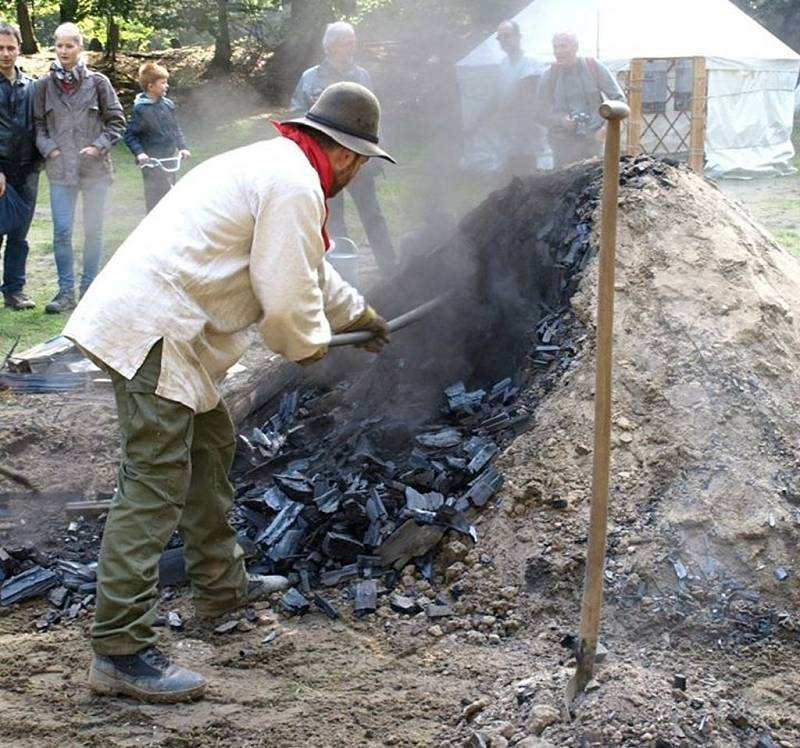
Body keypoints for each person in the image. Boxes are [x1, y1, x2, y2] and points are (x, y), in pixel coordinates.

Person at [63, 81, 394, 703]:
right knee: (154, 481)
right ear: (347, 154)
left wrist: (358, 314)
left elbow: (307, 267)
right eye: (364, 163)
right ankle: (119, 649)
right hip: (154, 330)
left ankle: (219, 584)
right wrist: (308, 343)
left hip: (164, 326)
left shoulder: (278, 165)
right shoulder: (294, 182)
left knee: (210, 444)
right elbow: (287, 293)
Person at [33, 22, 125, 314]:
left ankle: (89, 290)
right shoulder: (43, 86)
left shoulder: (98, 83)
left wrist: (98, 146)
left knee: (93, 230)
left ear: (79, 48)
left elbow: (117, 121)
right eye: (59, 45)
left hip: (94, 170)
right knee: (61, 231)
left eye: (69, 45)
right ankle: (65, 292)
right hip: (60, 172)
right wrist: (50, 149)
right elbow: (37, 126)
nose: (63, 51)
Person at [290, 21, 396, 274]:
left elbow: (373, 117)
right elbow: (296, 112)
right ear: (332, 46)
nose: (354, 45)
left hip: (357, 160)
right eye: (349, 41)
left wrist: (376, 153)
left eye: (353, 40)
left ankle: (391, 269)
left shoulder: (361, 76)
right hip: (327, 162)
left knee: (373, 215)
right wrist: (312, 112)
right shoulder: (310, 78)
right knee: (334, 219)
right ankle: (343, 270)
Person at [465, 20, 547, 178]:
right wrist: (477, 121)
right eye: (500, 38)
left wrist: (506, 112)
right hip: (508, 132)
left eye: (507, 36)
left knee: (527, 174)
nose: (503, 41)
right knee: (509, 174)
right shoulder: (504, 64)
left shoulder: (531, 62)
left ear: (518, 36)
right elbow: (496, 98)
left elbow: (527, 96)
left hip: (527, 130)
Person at [0, 22, 42, 310]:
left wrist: (39, 164)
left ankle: (14, 292)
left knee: (19, 237)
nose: (5, 53)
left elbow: (41, 126)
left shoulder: (32, 86)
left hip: (27, 173)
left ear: (19, 50)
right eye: (0, 48)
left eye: (10, 48)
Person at [537, 32, 626, 168]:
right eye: (555, 47)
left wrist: (606, 128)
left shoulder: (593, 67)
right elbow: (538, 112)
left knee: (593, 183)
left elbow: (619, 100)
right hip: (563, 145)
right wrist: (561, 120)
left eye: (563, 46)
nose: (559, 51)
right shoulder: (549, 75)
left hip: (593, 141)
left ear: (575, 47)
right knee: (564, 185)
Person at [123, 62, 191, 213]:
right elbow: (130, 135)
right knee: (156, 200)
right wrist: (140, 153)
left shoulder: (167, 105)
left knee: (171, 197)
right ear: (150, 86)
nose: (166, 86)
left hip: (169, 159)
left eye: (166, 82)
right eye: (163, 83)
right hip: (152, 163)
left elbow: (175, 128)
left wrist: (183, 147)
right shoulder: (140, 109)